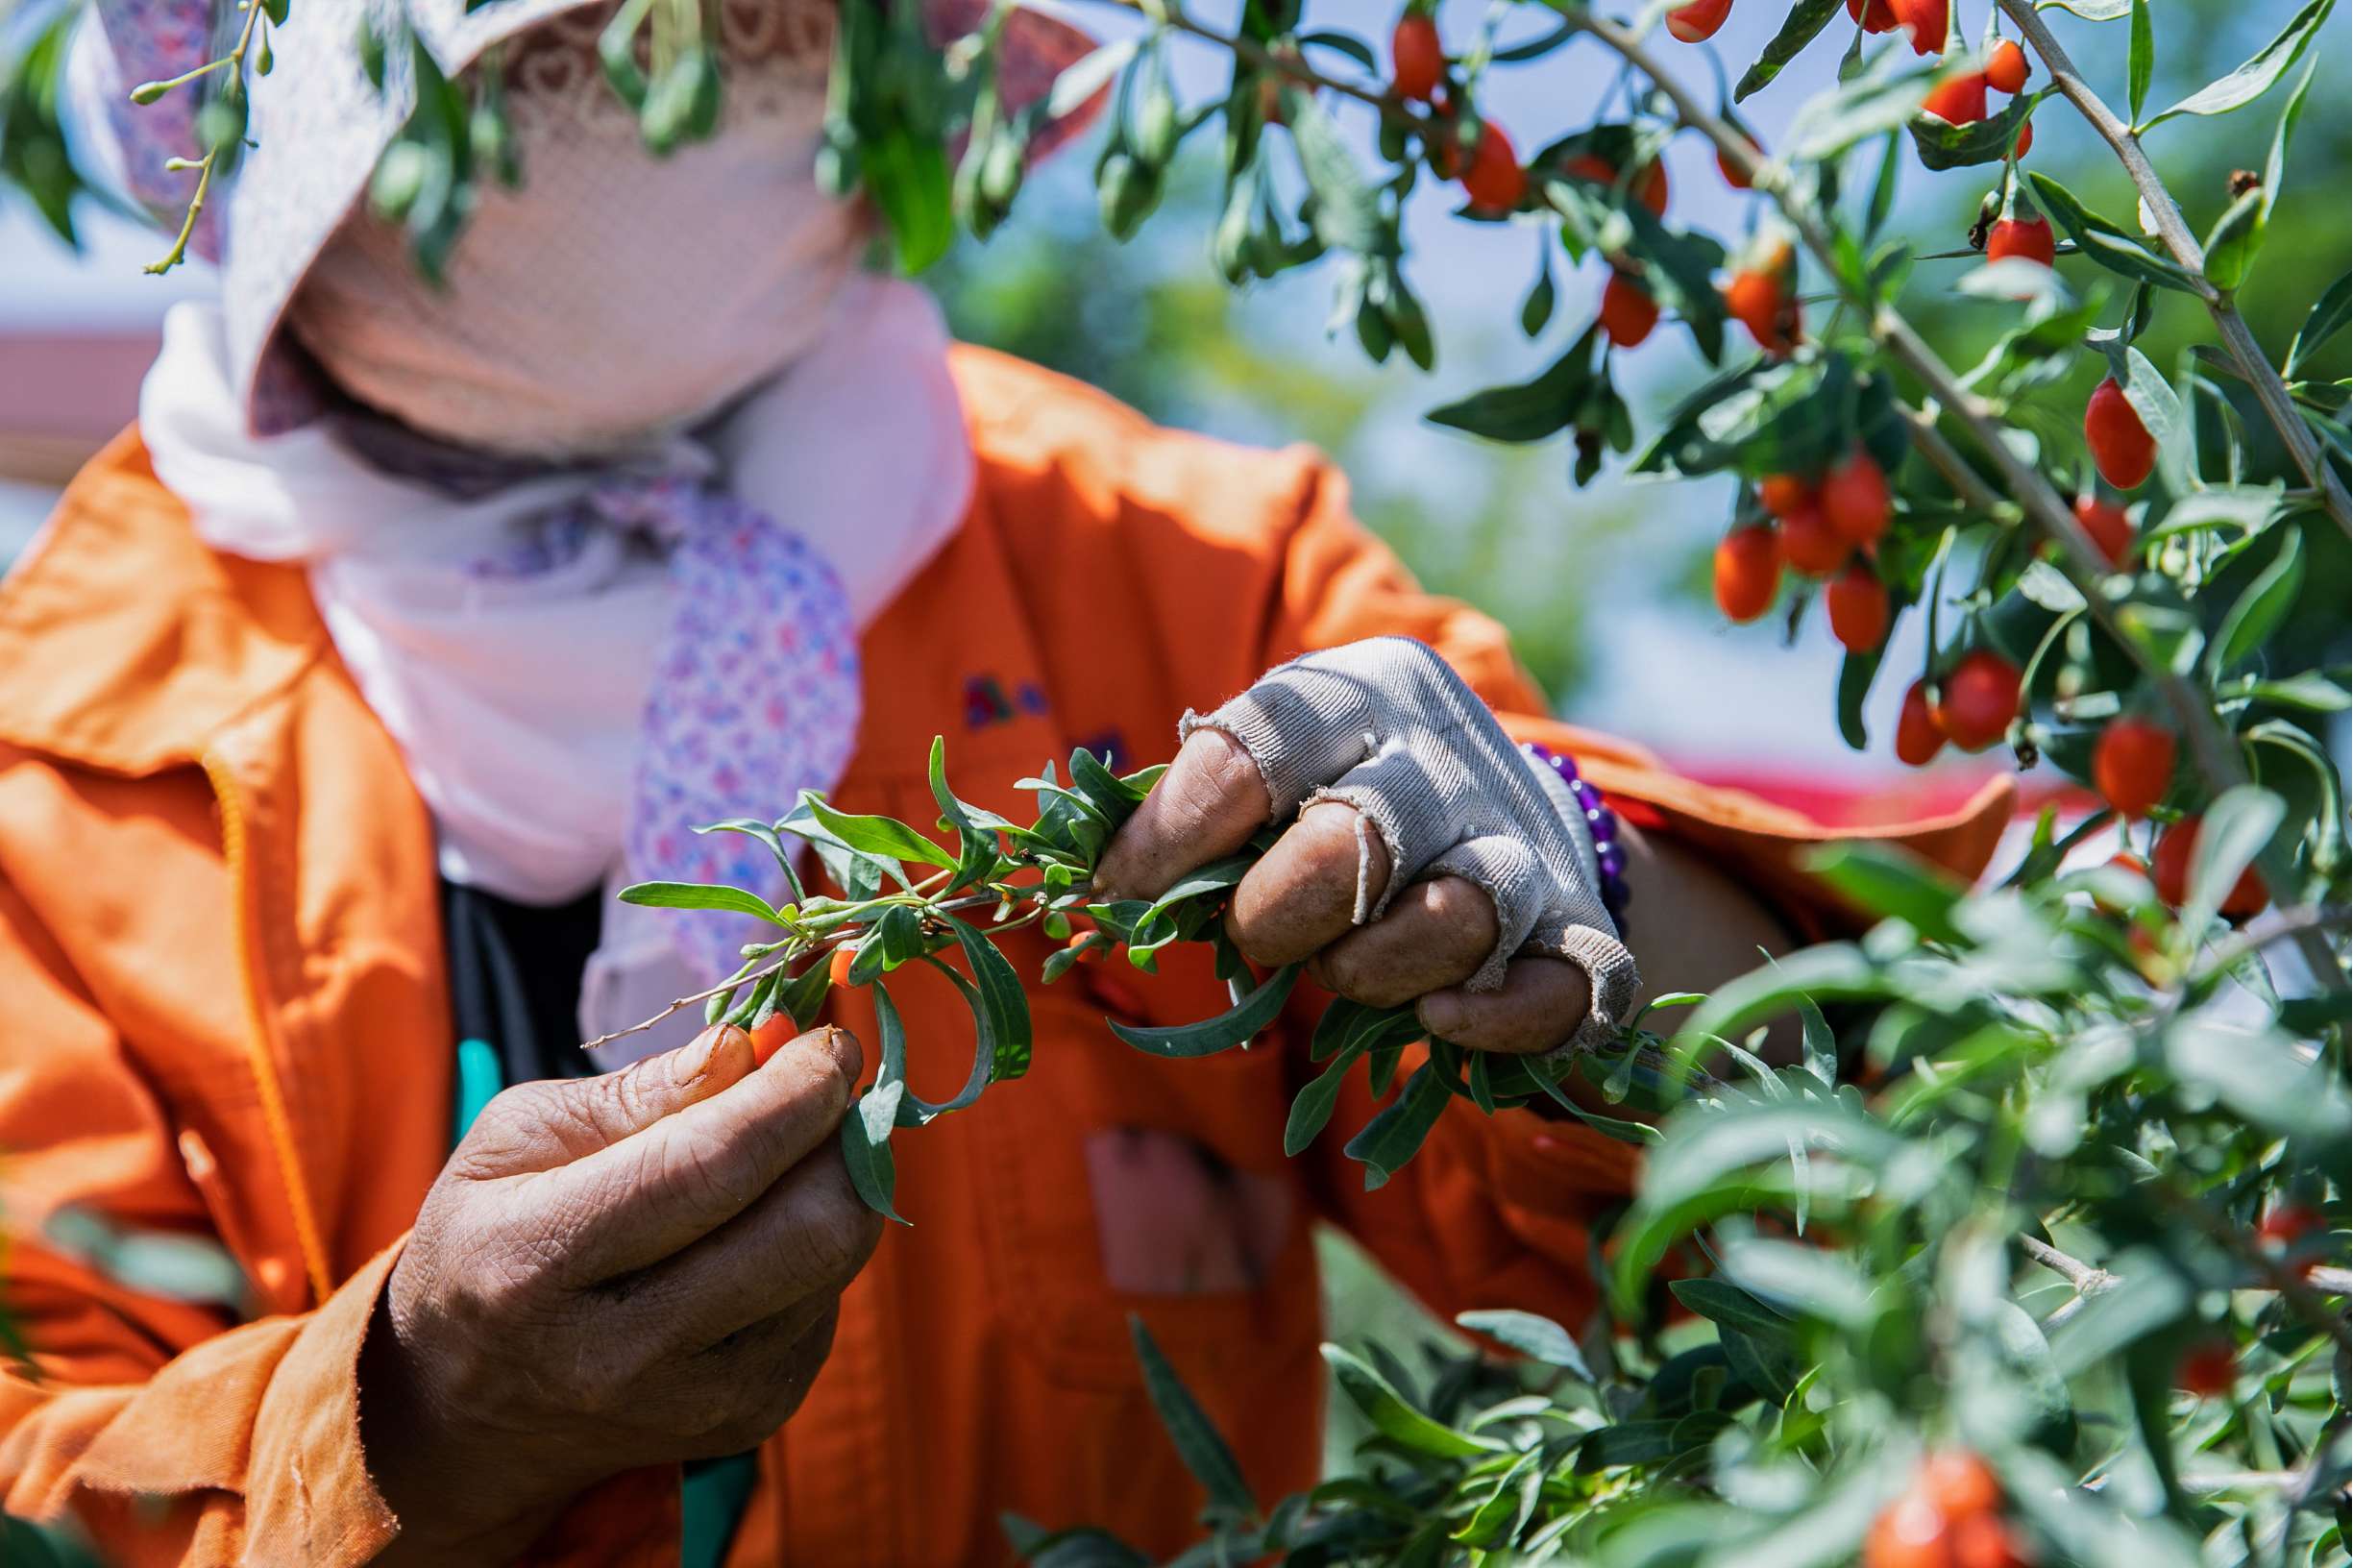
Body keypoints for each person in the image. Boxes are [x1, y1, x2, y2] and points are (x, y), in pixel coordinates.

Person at [0, 0, 2014, 1562]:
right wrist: (414, 1419)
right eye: (551, 54)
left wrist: (1601, 907)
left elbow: (1809, 1241)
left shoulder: (1192, 581)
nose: (673, 85)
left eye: (756, 27)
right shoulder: (51, 764)